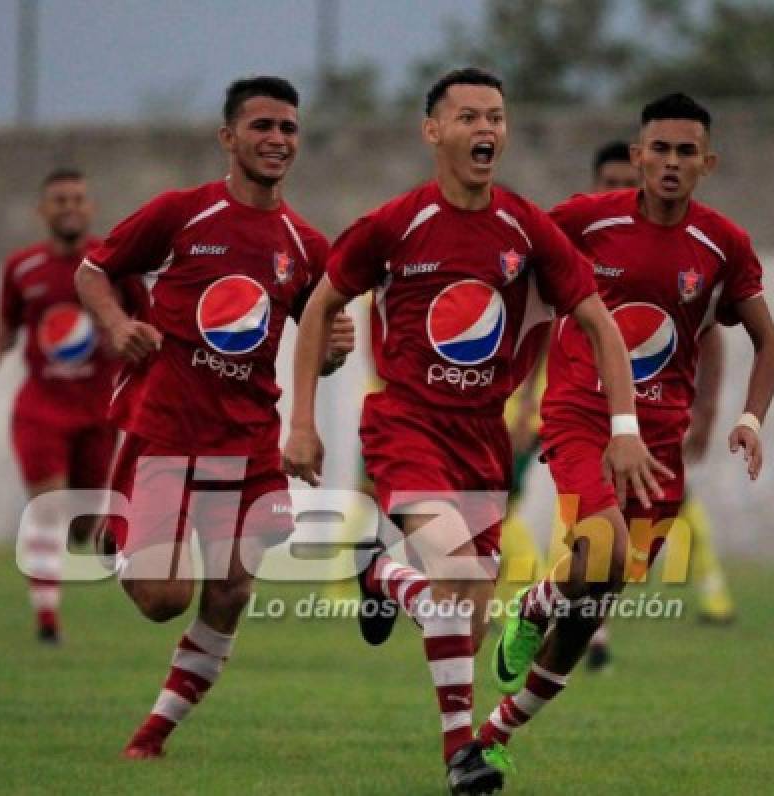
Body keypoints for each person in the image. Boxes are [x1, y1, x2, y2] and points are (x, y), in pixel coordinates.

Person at [283, 67, 667, 795]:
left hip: (483, 438)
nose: (486, 130)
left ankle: (378, 573)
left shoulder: (527, 229)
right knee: (456, 573)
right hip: (406, 425)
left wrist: (624, 427)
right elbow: (320, 306)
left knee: (470, 617)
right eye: (468, 118)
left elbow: (600, 325)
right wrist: (302, 419)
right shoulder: (395, 224)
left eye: (496, 117)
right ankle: (461, 757)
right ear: (433, 131)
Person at [481, 93, 774, 758]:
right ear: (638, 154)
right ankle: (533, 605)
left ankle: (496, 731)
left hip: (659, 440)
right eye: (660, 149)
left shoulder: (722, 243)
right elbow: (513, 253)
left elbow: (768, 342)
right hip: (580, 415)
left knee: (591, 609)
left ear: (708, 162)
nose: (671, 163)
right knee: (603, 550)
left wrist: (749, 418)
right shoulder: (586, 221)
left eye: (686, 152)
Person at [74, 76, 354, 758]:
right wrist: (116, 325)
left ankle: (152, 737)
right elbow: (91, 270)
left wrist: (335, 353)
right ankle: (120, 544)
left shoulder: (306, 244)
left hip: (247, 437)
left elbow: (322, 337)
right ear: (229, 138)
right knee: (164, 597)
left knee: (231, 587)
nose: (277, 139)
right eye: (262, 126)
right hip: (166, 429)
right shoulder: (182, 213)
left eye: (288, 128)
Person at [578, 140, 738, 673]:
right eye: (609, 181)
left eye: (628, 180)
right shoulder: (578, 242)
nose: (620, 191)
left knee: (662, 516)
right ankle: (590, 628)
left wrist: (709, 411)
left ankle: (712, 592)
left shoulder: (679, 249)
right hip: (588, 407)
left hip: (659, 410)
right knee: (592, 517)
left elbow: (711, 333)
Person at [0, 167, 120, 644]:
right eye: (59, 200)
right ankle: (47, 620)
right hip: (42, 408)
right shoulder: (22, 268)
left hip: (100, 411)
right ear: (43, 211)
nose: (69, 208)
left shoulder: (110, 263)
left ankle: (81, 544)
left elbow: (142, 320)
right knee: (48, 509)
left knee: (83, 525)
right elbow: (8, 325)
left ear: (90, 207)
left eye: (77, 199)